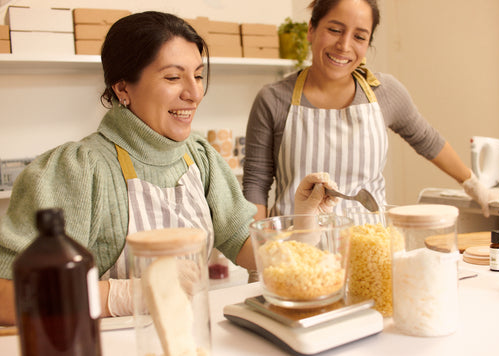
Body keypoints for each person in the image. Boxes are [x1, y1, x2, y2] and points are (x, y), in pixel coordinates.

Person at [0, 11, 338, 326]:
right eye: (174, 77)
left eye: (199, 75)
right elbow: (6, 295)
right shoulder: (77, 170)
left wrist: (305, 222)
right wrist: (119, 297)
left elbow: (250, 250)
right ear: (122, 88)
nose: (194, 93)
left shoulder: (200, 157)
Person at [243, 0, 497, 220]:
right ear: (311, 29)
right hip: (297, 252)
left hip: (367, 250)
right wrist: (260, 251)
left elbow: (426, 139)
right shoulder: (273, 99)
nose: (344, 45)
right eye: (334, 30)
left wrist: (472, 184)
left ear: (367, 44)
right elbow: (256, 183)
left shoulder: (385, 92)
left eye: (359, 37)